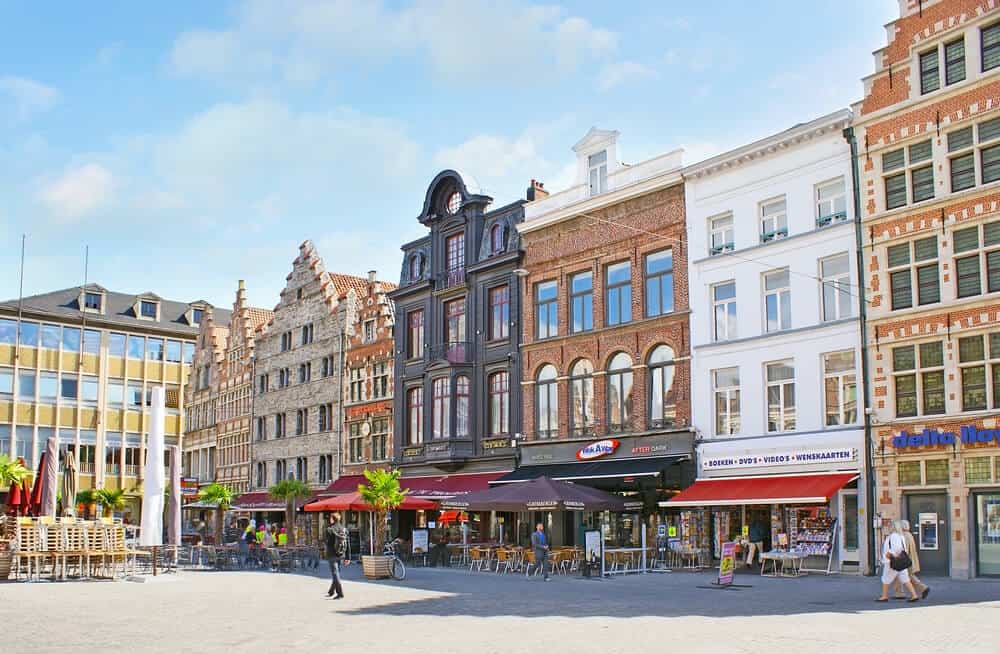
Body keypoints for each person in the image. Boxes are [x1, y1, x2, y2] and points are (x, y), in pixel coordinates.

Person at [877, 521, 920, 603]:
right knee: (905, 578)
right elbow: (903, 549)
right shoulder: (901, 536)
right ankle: (914, 595)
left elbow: (896, 548)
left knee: (885, 578)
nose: (889, 527)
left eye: (890, 526)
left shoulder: (893, 536)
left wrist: (888, 555)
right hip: (901, 562)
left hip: (892, 562)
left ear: (893, 527)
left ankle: (884, 596)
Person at [893, 519, 930, 600]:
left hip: (905, 560)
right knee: (905, 576)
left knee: (905, 576)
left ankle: (923, 588)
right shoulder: (909, 535)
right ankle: (899, 592)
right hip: (910, 559)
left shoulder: (904, 536)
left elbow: (903, 549)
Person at [324, 513, 349, 599]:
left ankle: (340, 593)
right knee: (336, 572)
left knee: (335, 573)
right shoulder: (344, 529)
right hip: (341, 553)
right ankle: (331, 591)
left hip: (332, 554)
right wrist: (348, 557)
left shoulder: (329, 529)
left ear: (332, 519)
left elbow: (327, 542)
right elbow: (347, 543)